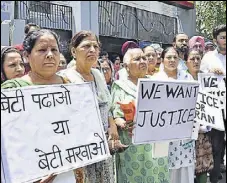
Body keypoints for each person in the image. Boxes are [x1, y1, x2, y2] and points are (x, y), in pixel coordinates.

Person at [1, 29, 70, 183]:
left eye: (54, 50)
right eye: (42, 50)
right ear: (26, 55)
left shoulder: (70, 87)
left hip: (69, 169)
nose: (50, 55)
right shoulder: (12, 89)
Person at [58, 30, 124, 183]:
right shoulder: (65, 78)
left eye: (95, 46)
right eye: (86, 46)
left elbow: (107, 104)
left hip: (102, 145)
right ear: (74, 51)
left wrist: (112, 125)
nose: (92, 50)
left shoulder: (98, 75)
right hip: (81, 147)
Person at [111, 48, 170, 183]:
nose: (143, 61)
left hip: (157, 141)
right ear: (126, 66)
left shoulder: (156, 83)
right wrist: (124, 124)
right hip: (134, 145)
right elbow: (116, 115)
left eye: (144, 58)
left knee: (157, 175)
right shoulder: (120, 86)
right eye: (137, 59)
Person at [153, 47, 195, 183]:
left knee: (186, 168)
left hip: (184, 131)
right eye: (168, 57)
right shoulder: (155, 79)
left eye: (175, 57)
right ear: (162, 60)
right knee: (166, 167)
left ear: (179, 60)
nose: (172, 60)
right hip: (164, 132)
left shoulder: (187, 78)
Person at [200, 24, 226, 183]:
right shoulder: (208, 57)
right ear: (215, 39)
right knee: (216, 146)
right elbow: (201, 79)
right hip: (216, 109)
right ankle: (215, 178)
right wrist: (210, 73)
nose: (226, 41)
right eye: (223, 37)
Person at [185, 49, 214, 183]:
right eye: (192, 59)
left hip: (204, 130)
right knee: (187, 167)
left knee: (203, 165)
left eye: (198, 58)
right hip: (186, 132)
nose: (196, 61)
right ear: (186, 62)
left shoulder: (207, 78)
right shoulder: (181, 79)